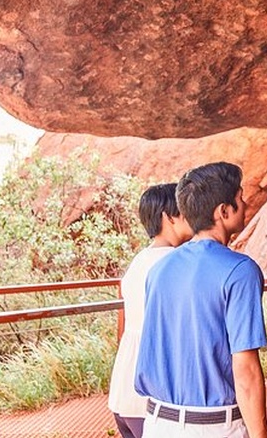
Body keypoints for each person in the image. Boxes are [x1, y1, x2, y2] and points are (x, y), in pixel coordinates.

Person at [135, 162, 267, 438]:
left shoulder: (159, 270)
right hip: (213, 426)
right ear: (223, 211)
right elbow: (245, 369)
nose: (244, 206)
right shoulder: (240, 270)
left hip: (158, 423)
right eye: (240, 199)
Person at [108, 183, 193, 438]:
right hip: (151, 393)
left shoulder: (140, 260)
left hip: (124, 387)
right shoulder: (173, 263)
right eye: (185, 210)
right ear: (168, 217)